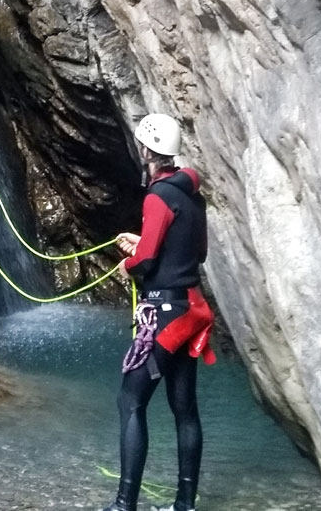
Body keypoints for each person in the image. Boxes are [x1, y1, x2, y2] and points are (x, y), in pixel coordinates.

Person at [102, 114, 215, 511]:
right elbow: (196, 252)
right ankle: (184, 504)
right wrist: (144, 243)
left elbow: (147, 259)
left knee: (130, 400)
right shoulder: (191, 194)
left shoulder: (156, 196)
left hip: (165, 313)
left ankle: (124, 505)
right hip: (192, 309)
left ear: (148, 150)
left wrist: (129, 264)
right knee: (184, 408)